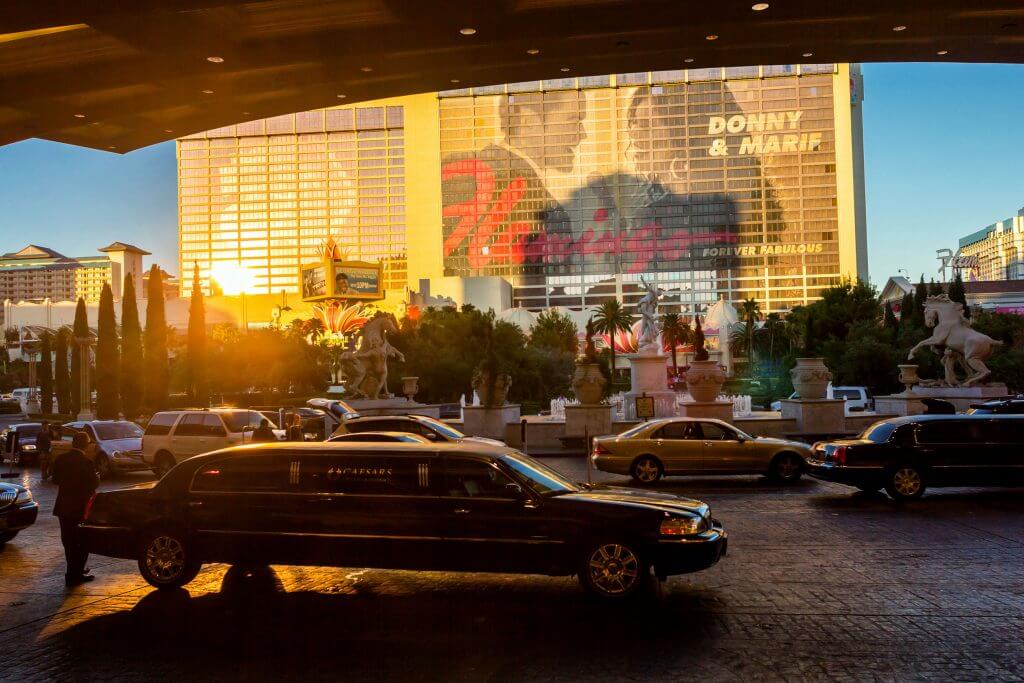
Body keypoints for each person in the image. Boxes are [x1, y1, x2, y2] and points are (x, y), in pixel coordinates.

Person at [51, 431, 99, 586]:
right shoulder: (87, 463)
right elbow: (93, 485)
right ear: (85, 445)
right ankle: (76, 573)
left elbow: (55, 480)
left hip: (63, 506)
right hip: (80, 507)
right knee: (82, 541)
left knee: (68, 541)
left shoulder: (61, 459)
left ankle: (72, 571)